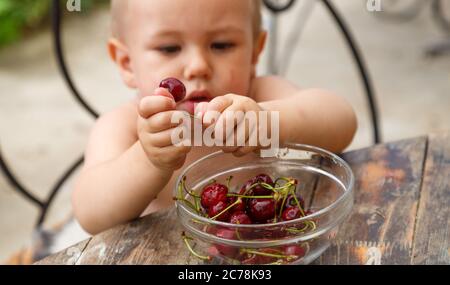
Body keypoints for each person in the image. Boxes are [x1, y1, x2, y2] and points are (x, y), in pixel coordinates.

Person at [72, 0, 357, 235]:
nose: (198, 66)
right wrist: (148, 159)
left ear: (255, 52)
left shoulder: (260, 96)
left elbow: (342, 120)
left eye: (221, 45)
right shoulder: (123, 126)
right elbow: (91, 213)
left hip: (260, 251)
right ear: (127, 63)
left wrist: (268, 121)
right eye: (169, 48)